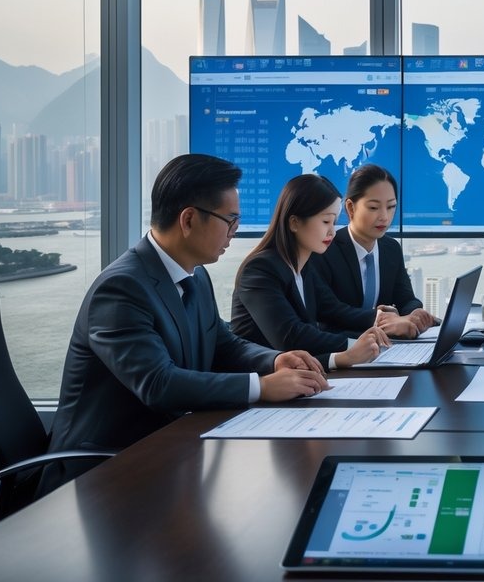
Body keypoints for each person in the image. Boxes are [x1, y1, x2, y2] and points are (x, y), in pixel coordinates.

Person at [44, 155, 330, 488]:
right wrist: (261, 387)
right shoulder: (122, 288)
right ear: (190, 219)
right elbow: (158, 384)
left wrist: (275, 360)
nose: (234, 234)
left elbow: (223, 343)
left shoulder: (196, 276)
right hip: (100, 473)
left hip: (167, 451)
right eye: (230, 221)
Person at [230, 174, 393, 369]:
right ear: (294, 223)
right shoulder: (260, 270)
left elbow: (333, 309)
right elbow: (291, 336)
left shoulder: (304, 266)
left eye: (334, 222)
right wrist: (353, 346)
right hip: (264, 382)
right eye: (326, 222)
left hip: (299, 377)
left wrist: (380, 319)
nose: (332, 232)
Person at [309, 164, 435, 335]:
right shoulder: (325, 249)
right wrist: (382, 319)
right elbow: (330, 311)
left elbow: (406, 299)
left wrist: (414, 314)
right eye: (374, 208)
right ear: (351, 208)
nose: (384, 216)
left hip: (388, 347)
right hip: (343, 346)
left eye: (391, 207)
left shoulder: (391, 249)